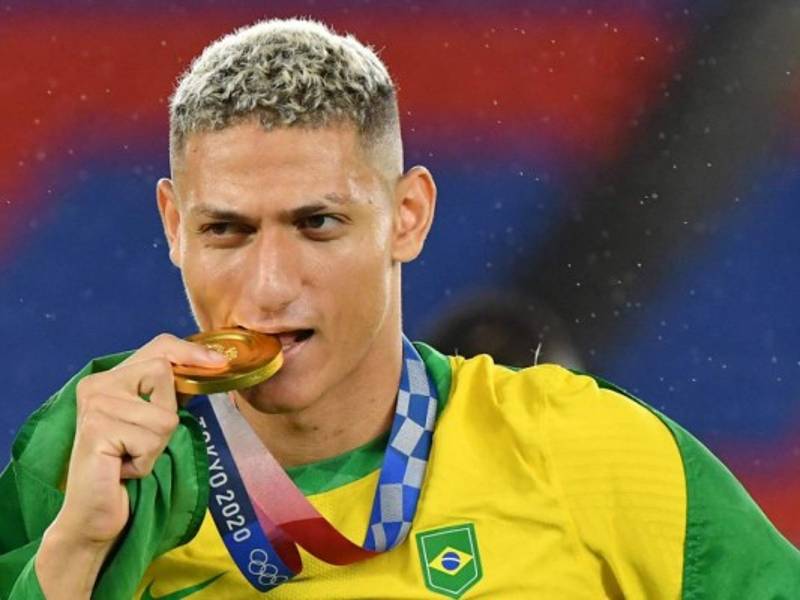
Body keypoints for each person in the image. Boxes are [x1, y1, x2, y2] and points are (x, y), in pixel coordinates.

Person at [1, 17, 798, 600]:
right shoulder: (92, 456)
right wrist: (74, 552)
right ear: (175, 225)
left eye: (318, 224)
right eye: (227, 230)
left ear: (407, 215)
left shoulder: (582, 447)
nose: (271, 283)